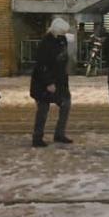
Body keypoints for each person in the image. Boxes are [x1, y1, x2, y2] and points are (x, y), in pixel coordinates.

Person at [29, 17, 74, 147]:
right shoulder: (45, 43)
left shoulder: (61, 40)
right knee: (43, 110)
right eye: (62, 32)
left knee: (66, 104)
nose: (64, 34)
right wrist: (48, 82)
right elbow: (41, 65)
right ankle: (37, 137)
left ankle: (59, 134)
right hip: (43, 83)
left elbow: (62, 62)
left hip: (60, 81)